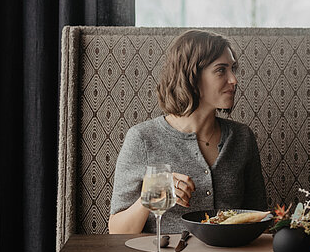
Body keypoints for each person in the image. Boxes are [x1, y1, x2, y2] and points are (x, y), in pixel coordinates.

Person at [108, 29, 267, 234]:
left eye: (233, 69)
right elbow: (116, 231)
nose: (234, 80)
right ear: (191, 75)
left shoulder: (242, 137)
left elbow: (260, 217)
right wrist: (151, 196)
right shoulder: (142, 139)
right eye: (221, 70)